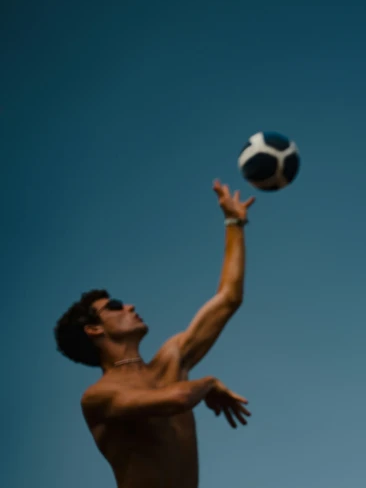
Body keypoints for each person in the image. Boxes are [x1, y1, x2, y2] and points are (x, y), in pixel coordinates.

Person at [54, 179, 256, 488]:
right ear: (94, 329)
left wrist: (234, 222)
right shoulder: (98, 397)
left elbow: (228, 299)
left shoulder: (172, 359)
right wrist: (209, 383)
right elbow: (175, 399)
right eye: (116, 307)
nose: (130, 306)